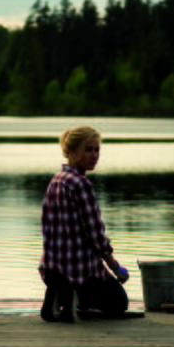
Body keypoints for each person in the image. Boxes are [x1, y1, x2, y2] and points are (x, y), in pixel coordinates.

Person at [39, 125, 129, 322]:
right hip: (80, 274)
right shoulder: (81, 184)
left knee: (72, 287)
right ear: (71, 152)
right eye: (88, 150)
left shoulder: (56, 180)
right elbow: (96, 236)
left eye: (97, 150)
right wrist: (115, 268)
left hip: (51, 272)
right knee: (119, 303)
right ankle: (74, 298)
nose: (94, 155)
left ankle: (62, 299)